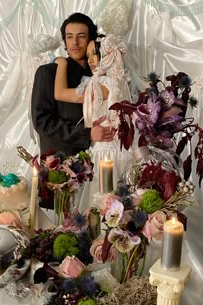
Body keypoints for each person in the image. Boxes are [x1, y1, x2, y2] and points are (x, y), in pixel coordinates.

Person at [54, 34, 133, 210]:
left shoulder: (101, 84)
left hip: (105, 155)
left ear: (106, 56)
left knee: (103, 207)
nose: (89, 60)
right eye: (88, 55)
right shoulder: (118, 82)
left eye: (93, 54)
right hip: (114, 150)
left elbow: (60, 93)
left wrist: (61, 63)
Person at [31, 12, 115, 156]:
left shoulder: (101, 74)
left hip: (100, 156)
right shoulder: (48, 72)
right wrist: (86, 134)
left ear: (91, 40)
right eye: (69, 37)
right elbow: (42, 121)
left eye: (81, 36)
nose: (74, 43)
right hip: (60, 164)